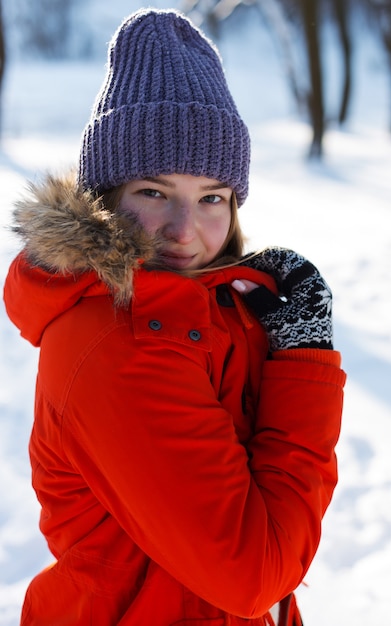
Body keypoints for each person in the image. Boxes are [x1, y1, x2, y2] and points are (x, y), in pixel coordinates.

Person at [3, 8, 346, 626]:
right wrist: (304, 362)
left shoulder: (202, 308)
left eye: (212, 197)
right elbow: (254, 572)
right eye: (155, 193)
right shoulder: (120, 335)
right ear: (106, 196)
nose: (185, 232)